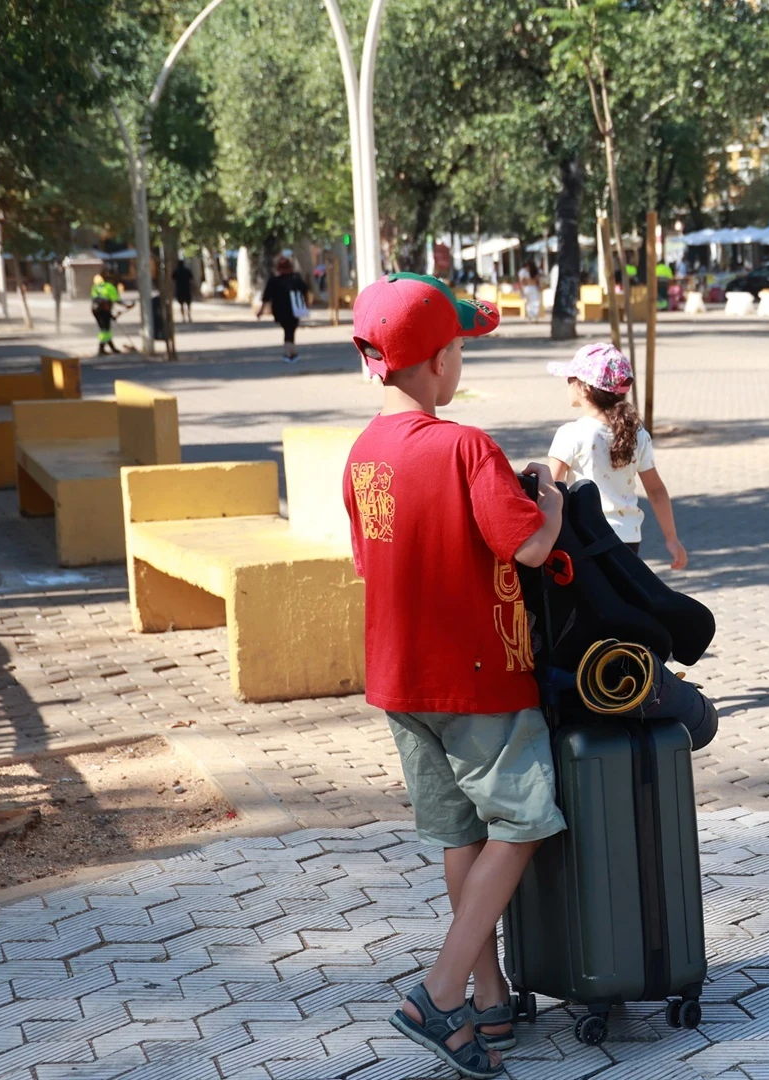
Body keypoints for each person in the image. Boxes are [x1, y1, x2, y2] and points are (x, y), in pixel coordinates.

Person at [342, 272, 562, 1080]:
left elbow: (372, 558)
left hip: (401, 682)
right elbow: (530, 547)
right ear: (437, 362)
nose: (462, 360)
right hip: (479, 678)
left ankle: (489, 998)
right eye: (460, 346)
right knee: (524, 820)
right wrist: (554, 505)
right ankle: (439, 994)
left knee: (458, 832)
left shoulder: (361, 454)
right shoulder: (468, 446)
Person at [545, 342, 688, 569]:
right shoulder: (637, 433)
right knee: (621, 601)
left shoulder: (571, 434)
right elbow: (656, 490)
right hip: (628, 539)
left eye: (570, 379)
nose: (568, 384)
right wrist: (671, 538)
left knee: (590, 602)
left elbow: (550, 489)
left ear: (585, 388)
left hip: (585, 538)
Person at [256, 255, 309, 362]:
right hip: (295, 309)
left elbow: (266, 297)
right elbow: (305, 292)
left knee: (288, 329)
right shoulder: (296, 279)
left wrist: (261, 311)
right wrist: (306, 305)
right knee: (290, 329)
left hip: (279, 310)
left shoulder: (274, 281)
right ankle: (290, 352)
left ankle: (290, 352)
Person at [90, 273, 132, 355]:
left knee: (104, 329)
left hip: (95, 310)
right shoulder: (108, 287)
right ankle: (101, 348)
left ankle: (112, 348)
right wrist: (127, 305)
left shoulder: (94, 287)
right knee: (105, 330)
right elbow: (116, 300)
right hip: (104, 311)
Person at [172, 259, 195, 323]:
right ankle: (189, 316)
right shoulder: (187, 270)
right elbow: (192, 278)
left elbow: (173, 278)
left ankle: (183, 318)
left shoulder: (176, 271)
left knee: (181, 304)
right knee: (188, 304)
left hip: (180, 289)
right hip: (187, 289)